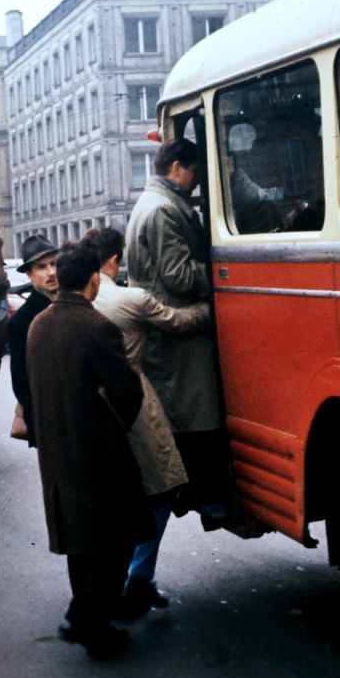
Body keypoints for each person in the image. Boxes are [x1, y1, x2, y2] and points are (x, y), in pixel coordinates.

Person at [27, 242, 152, 660]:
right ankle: (92, 625)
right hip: (98, 451)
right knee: (115, 540)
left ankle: (82, 615)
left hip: (55, 449)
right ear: (93, 279)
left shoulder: (38, 325)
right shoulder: (97, 327)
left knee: (79, 541)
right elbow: (127, 393)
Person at [84, 227, 210, 618]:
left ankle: (120, 580)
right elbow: (179, 321)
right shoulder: (130, 299)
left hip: (90, 407)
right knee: (162, 487)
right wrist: (212, 306)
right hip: (136, 406)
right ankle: (136, 576)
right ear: (112, 260)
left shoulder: (71, 302)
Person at [124, 137, 230, 530]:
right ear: (175, 169)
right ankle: (204, 498)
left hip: (165, 331)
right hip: (179, 331)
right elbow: (179, 275)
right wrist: (223, 274)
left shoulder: (149, 202)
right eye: (193, 171)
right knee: (197, 417)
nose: (196, 180)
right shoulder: (166, 209)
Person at [6, 235, 60, 448]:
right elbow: (21, 383)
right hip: (47, 416)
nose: (51, 272)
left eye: (55, 264)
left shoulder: (79, 302)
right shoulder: (21, 322)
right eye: (42, 267)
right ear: (29, 274)